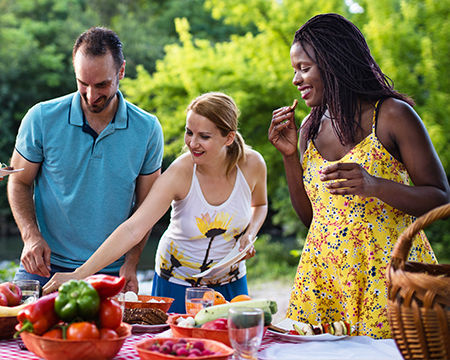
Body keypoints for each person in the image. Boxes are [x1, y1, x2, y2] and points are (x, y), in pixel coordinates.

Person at [268, 13, 450, 339]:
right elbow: (313, 218)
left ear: (333, 63)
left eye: (304, 68)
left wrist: (374, 185)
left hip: (387, 277)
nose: (296, 79)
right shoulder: (309, 127)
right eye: (294, 70)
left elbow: (440, 197)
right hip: (325, 278)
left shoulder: (392, 115)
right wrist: (290, 157)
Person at [43, 92, 268, 312]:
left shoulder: (253, 165)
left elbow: (260, 205)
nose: (192, 143)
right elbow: (134, 228)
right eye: (189, 132)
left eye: (204, 136)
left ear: (228, 138)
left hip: (231, 280)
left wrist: (250, 234)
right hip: (178, 282)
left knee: (236, 344)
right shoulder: (179, 173)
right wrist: (79, 275)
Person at [7, 27, 164, 293]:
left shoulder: (148, 129)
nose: (91, 96)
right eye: (83, 84)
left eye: (102, 84)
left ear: (121, 72)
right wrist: (31, 237)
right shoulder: (41, 118)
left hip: (111, 274)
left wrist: (131, 263)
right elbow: (18, 181)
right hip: (44, 268)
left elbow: (146, 208)